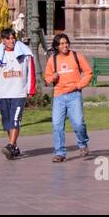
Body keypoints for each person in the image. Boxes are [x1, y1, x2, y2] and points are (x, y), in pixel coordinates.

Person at [0, 28, 35, 160]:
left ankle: (10, 145)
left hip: (19, 93)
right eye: (8, 39)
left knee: (15, 120)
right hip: (4, 93)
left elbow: (31, 72)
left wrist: (30, 89)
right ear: (3, 40)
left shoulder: (25, 53)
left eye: (13, 38)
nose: (12, 41)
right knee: (7, 122)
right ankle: (14, 148)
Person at [42, 32, 92, 162]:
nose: (65, 46)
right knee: (57, 124)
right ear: (57, 46)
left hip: (74, 95)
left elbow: (88, 73)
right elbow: (46, 77)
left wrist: (79, 85)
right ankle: (60, 153)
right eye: (62, 44)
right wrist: (51, 78)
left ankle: (82, 143)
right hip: (59, 95)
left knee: (78, 123)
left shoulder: (76, 56)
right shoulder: (52, 59)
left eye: (66, 43)